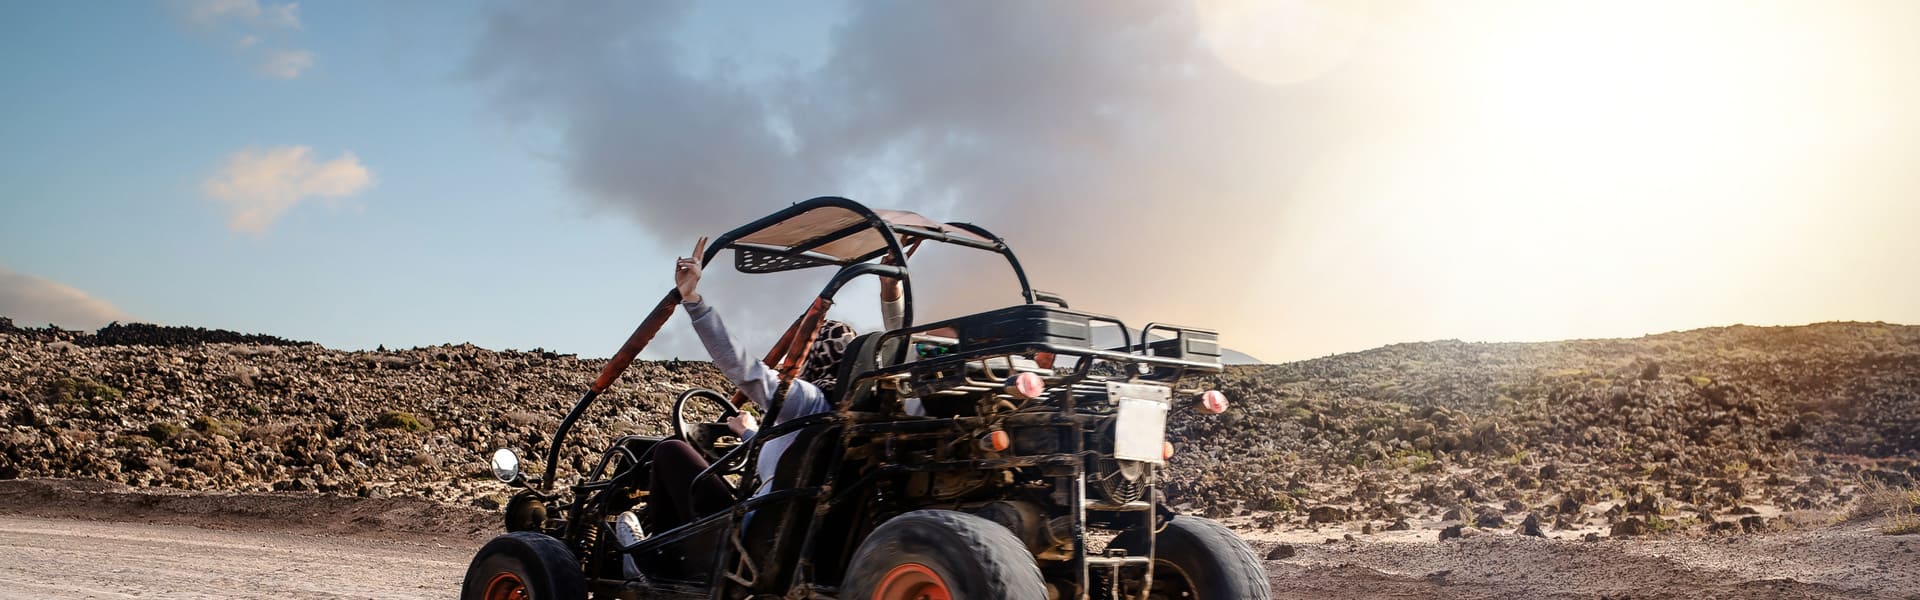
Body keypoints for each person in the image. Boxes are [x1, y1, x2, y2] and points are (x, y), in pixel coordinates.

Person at [643, 237, 907, 533]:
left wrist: (693, 301)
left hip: (753, 533)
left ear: (815, 356)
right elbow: (786, 449)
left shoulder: (807, 401)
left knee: (670, 451)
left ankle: (650, 562)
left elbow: (744, 369)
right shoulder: (845, 417)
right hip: (793, 529)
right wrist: (747, 432)